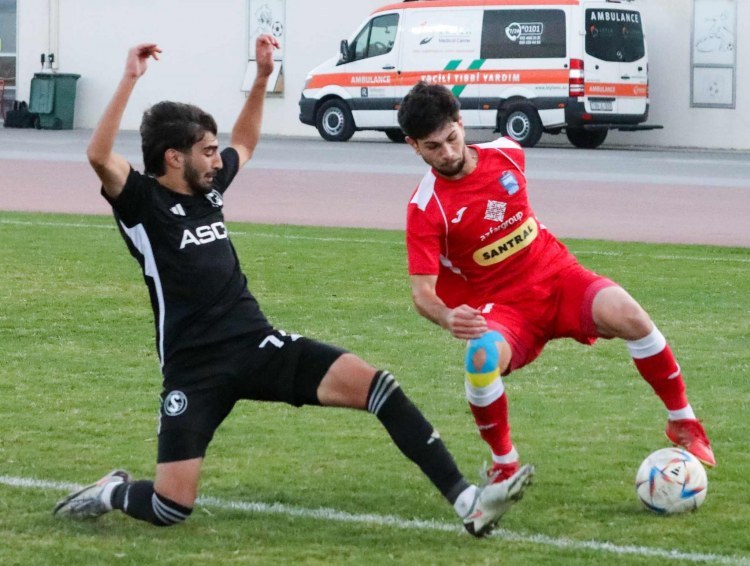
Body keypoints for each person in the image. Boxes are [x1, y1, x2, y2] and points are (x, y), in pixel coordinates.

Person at [51, 39, 534, 538]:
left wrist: (262, 79)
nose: (219, 161)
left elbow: (247, 141)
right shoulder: (141, 202)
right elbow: (98, 153)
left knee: (378, 388)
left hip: (257, 344)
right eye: (208, 152)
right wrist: (129, 77)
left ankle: (467, 502)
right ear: (174, 158)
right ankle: (110, 490)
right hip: (194, 369)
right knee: (171, 507)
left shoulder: (208, 189)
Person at [397, 81, 715, 484]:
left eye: (451, 139)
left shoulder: (509, 154)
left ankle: (682, 421)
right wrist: (445, 317)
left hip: (559, 277)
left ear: (461, 124)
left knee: (632, 316)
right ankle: (505, 464)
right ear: (413, 145)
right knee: (479, 362)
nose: (446, 153)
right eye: (432, 147)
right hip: (505, 309)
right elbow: (422, 293)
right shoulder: (426, 208)